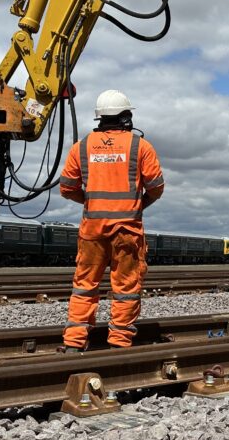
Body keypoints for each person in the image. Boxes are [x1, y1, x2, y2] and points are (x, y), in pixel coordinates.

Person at [58, 90, 164, 351]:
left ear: (100, 118)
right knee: (126, 287)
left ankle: (74, 341)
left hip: (92, 229)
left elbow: (67, 187)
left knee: (84, 285)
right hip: (127, 230)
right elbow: (156, 187)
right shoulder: (140, 146)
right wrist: (137, 205)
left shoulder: (82, 147)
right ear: (126, 117)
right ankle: (119, 341)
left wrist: (92, 202)